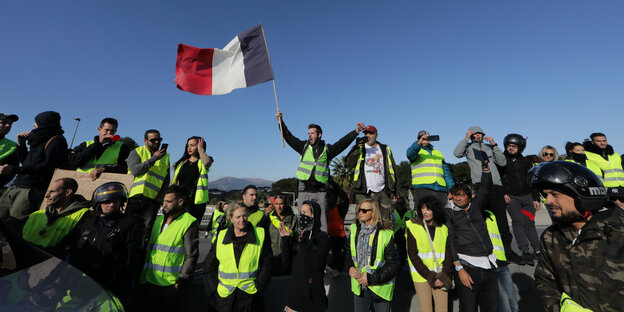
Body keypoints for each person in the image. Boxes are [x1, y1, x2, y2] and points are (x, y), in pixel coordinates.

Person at [530, 161, 624, 311]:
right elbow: (546, 282)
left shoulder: (618, 232)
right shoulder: (551, 237)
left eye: (555, 195)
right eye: (545, 195)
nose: (548, 201)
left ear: (581, 194)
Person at [276, 110, 365, 232]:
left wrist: (355, 132)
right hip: (304, 189)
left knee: (322, 222)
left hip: (321, 191)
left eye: (312, 133)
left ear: (319, 135)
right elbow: (288, 137)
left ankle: (322, 245)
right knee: (303, 221)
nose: (309, 135)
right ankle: (304, 243)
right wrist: (280, 122)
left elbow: (342, 143)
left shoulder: (327, 150)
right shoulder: (303, 147)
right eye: (308, 133)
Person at [61, 181, 145, 309]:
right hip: (74, 282)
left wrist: (121, 289)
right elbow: (68, 244)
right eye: (107, 201)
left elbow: (131, 259)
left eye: (116, 201)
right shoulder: (87, 221)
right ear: (98, 203)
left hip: (103, 288)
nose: (111, 204)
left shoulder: (130, 224)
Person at [454, 126, 514, 262]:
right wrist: (466, 138)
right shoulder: (468, 148)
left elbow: (502, 162)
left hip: (496, 186)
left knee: (501, 220)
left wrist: (494, 144)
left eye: (479, 133)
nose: (477, 135)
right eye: (474, 134)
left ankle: (508, 251)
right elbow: (457, 153)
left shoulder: (489, 147)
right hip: (480, 185)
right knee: (483, 219)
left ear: (483, 134)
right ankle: (487, 251)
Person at [0, 111, 68, 232]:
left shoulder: (57, 141)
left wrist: (14, 169)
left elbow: (45, 167)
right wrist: (21, 145)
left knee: (15, 227)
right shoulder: (38, 139)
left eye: (37, 123)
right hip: (16, 186)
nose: (33, 125)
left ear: (44, 123)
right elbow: (26, 162)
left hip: (30, 190)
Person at [446, 162, 499, 312]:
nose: (458, 198)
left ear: (470, 197)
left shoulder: (476, 206)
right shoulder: (449, 214)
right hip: (467, 266)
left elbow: (485, 188)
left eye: (462, 195)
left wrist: (486, 169)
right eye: (456, 195)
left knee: (491, 307)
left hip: (489, 265)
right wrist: (459, 268)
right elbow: (450, 241)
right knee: (468, 308)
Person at [203, 201, 272, 312]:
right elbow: (209, 266)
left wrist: (259, 288)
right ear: (231, 218)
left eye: (244, 216)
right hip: (223, 298)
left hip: (250, 297)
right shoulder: (221, 236)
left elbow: (267, 264)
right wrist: (213, 292)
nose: (242, 220)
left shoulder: (260, 234)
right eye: (238, 217)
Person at [139, 185, 199, 312]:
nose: (164, 205)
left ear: (180, 202)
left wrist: (181, 280)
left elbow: (192, 255)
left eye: (168, 201)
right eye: (164, 201)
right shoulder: (159, 220)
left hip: (169, 286)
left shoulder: (188, 222)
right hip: (149, 281)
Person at [345, 199, 400, 312]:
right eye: (359, 210)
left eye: (365, 210)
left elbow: (393, 265)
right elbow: (348, 254)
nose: (361, 212)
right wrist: (349, 267)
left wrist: (371, 279)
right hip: (360, 287)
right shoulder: (354, 230)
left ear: (373, 212)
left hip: (380, 289)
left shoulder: (386, 234)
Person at [280, 201, 330, 312]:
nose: (302, 215)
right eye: (300, 212)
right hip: (295, 297)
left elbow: (316, 263)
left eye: (305, 212)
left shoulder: (322, 237)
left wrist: (304, 244)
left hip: (314, 298)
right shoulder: (297, 234)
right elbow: (286, 262)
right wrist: (285, 240)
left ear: (314, 215)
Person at [498, 134, 540, 265]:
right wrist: (503, 193)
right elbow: (498, 179)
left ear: (520, 147)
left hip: (527, 196)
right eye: (508, 146)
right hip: (512, 197)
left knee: (530, 223)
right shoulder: (501, 160)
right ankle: (525, 251)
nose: (511, 148)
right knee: (518, 222)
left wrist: (536, 197)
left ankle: (537, 250)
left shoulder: (526, 161)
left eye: (514, 146)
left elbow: (532, 179)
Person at [406, 196, 452, 312]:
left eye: (428, 209)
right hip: (421, 275)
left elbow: (448, 254)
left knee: (442, 309)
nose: (424, 212)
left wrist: (443, 275)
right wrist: (429, 276)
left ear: (435, 210)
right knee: (426, 309)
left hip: (440, 274)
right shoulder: (413, 226)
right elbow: (413, 254)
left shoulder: (443, 228)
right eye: (422, 208)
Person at [22, 178, 91, 254]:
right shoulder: (35, 215)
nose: (46, 195)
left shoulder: (84, 215)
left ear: (67, 192)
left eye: (52, 191)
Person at [346, 125, 398, 222]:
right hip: (363, 191)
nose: (368, 135)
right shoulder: (360, 148)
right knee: (363, 221)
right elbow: (349, 163)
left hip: (382, 190)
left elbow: (393, 169)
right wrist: (357, 148)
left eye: (371, 133)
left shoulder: (384, 149)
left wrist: (395, 190)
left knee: (385, 221)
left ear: (376, 135)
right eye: (366, 133)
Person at [126, 129, 170, 231]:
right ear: (145, 141)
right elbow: (135, 171)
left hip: (152, 199)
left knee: (146, 229)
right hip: (134, 197)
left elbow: (166, 179)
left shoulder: (166, 157)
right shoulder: (136, 152)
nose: (157, 142)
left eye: (159, 139)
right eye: (153, 140)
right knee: (129, 226)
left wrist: (161, 196)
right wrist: (154, 158)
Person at [407, 130, 454, 207]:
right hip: (423, 189)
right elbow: (409, 154)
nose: (424, 140)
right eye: (422, 138)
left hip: (440, 189)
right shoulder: (416, 151)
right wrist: (419, 144)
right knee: (425, 216)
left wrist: (452, 189)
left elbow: (446, 173)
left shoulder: (438, 153)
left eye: (426, 138)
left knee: (443, 215)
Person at [172, 136, 214, 221]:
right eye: (188, 145)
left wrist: (200, 149)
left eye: (192, 145)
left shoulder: (203, 161)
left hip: (197, 202)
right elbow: (174, 181)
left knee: (193, 228)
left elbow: (207, 162)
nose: (189, 148)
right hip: (181, 200)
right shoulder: (181, 163)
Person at [268, 195, 298, 275]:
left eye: (281, 204)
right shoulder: (269, 218)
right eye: (276, 204)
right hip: (272, 259)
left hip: (288, 259)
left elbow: (297, 239)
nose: (279, 207)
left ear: (285, 204)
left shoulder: (293, 219)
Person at [326, 178, 349, 275]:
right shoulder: (322, 209)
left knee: (339, 260)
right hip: (326, 237)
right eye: (327, 196)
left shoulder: (340, 208)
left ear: (336, 198)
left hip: (339, 238)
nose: (328, 199)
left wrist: (333, 183)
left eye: (331, 196)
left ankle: (335, 268)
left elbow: (344, 197)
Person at [0, 113, 19, 190]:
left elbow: (11, 170)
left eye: (10, 123)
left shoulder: (13, 146)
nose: (8, 125)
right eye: (3, 122)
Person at [392, 196, 411, 266]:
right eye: (398, 203)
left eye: (401, 203)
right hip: (396, 238)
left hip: (407, 238)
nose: (400, 205)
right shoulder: (392, 213)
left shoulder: (410, 213)